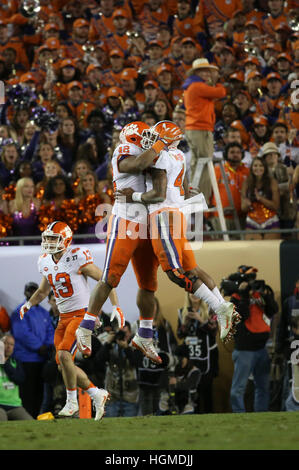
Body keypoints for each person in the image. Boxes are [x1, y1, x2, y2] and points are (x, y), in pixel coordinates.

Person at [116, 120, 241, 344]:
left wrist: (131, 197)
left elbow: (158, 194)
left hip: (163, 216)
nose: (151, 140)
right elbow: (183, 189)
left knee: (174, 272)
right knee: (193, 267)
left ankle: (219, 307)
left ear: (167, 140)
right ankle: (223, 305)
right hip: (177, 215)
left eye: (157, 136)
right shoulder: (179, 156)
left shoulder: (161, 156)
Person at [18, 221, 121, 420]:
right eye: (47, 238)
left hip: (82, 314)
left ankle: (71, 402)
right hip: (63, 318)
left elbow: (106, 279)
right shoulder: (45, 261)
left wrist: (114, 306)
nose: (48, 242)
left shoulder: (76, 257)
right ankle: (96, 393)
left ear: (65, 240)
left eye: (53, 238)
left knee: (65, 355)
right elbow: (43, 291)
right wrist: (28, 305)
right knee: (63, 365)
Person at [229, 269, 279, 413]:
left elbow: (273, 311)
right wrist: (244, 295)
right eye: (249, 278)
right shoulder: (235, 298)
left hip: (261, 349)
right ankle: (239, 416)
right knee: (238, 389)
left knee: (263, 387)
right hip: (244, 351)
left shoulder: (259, 294)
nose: (252, 281)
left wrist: (266, 296)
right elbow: (242, 316)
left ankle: (261, 416)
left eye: (253, 278)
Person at [183, 58, 226, 201]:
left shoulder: (193, 87)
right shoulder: (197, 86)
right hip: (200, 129)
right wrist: (216, 81)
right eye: (204, 71)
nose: (208, 74)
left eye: (209, 71)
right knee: (206, 164)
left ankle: (196, 194)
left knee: (197, 164)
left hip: (194, 129)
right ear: (197, 72)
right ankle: (204, 198)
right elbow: (221, 92)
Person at [10, 281, 55, 419]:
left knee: (39, 393)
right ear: (25, 293)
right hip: (25, 359)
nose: (32, 293)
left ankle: (34, 418)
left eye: (35, 290)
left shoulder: (44, 313)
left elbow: (50, 332)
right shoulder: (19, 311)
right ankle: (26, 419)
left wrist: (47, 346)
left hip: (41, 360)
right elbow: (22, 333)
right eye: (30, 290)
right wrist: (39, 347)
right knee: (27, 393)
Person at [177, 293, 219, 413]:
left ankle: (209, 419)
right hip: (191, 358)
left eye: (197, 292)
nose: (194, 295)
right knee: (193, 393)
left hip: (207, 359)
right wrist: (185, 323)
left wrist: (200, 319)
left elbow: (214, 331)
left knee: (207, 392)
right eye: (191, 292)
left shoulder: (211, 311)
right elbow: (180, 335)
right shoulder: (182, 312)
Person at [96, 321, 139, 418]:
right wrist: (107, 343)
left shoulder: (135, 345)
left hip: (130, 397)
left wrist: (126, 348)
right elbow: (99, 360)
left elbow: (136, 362)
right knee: (110, 427)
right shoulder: (110, 346)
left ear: (130, 333)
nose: (123, 335)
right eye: (120, 332)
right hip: (112, 397)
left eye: (125, 332)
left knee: (130, 427)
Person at [241, 156, 280, 239]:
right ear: (251, 168)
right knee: (252, 250)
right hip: (252, 221)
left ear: (265, 168)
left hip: (270, 221)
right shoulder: (246, 183)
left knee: (271, 250)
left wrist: (261, 198)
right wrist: (247, 204)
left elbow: (276, 206)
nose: (258, 168)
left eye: (261, 165)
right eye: (255, 166)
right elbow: (243, 208)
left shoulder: (272, 182)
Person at [0, 334, 34, 421]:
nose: (8, 347)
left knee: (31, 423)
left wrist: (4, 362)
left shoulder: (16, 362)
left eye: (11, 345)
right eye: (6, 343)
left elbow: (20, 379)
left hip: (15, 405)